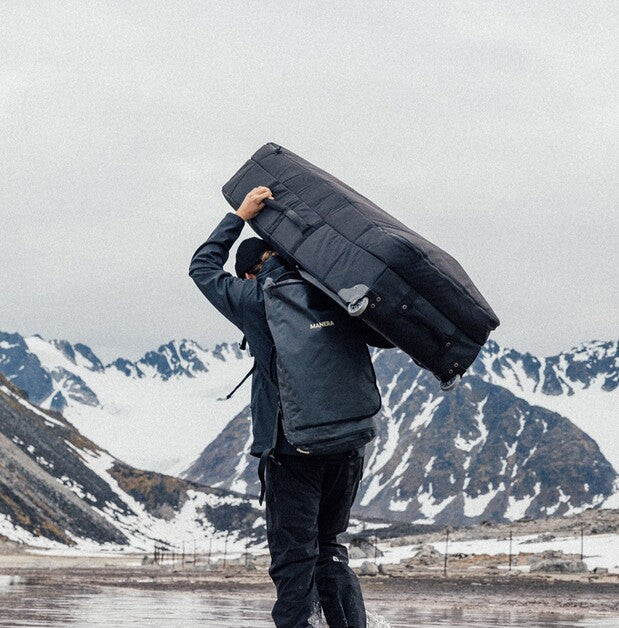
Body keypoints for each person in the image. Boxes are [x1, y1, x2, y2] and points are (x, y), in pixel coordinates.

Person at [189, 186, 370, 627]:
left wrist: (239, 215)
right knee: (330, 549)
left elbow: (202, 267)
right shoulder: (333, 289)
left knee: (294, 561)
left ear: (250, 274)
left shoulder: (257, 300)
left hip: (293, 453)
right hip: (348, 447)